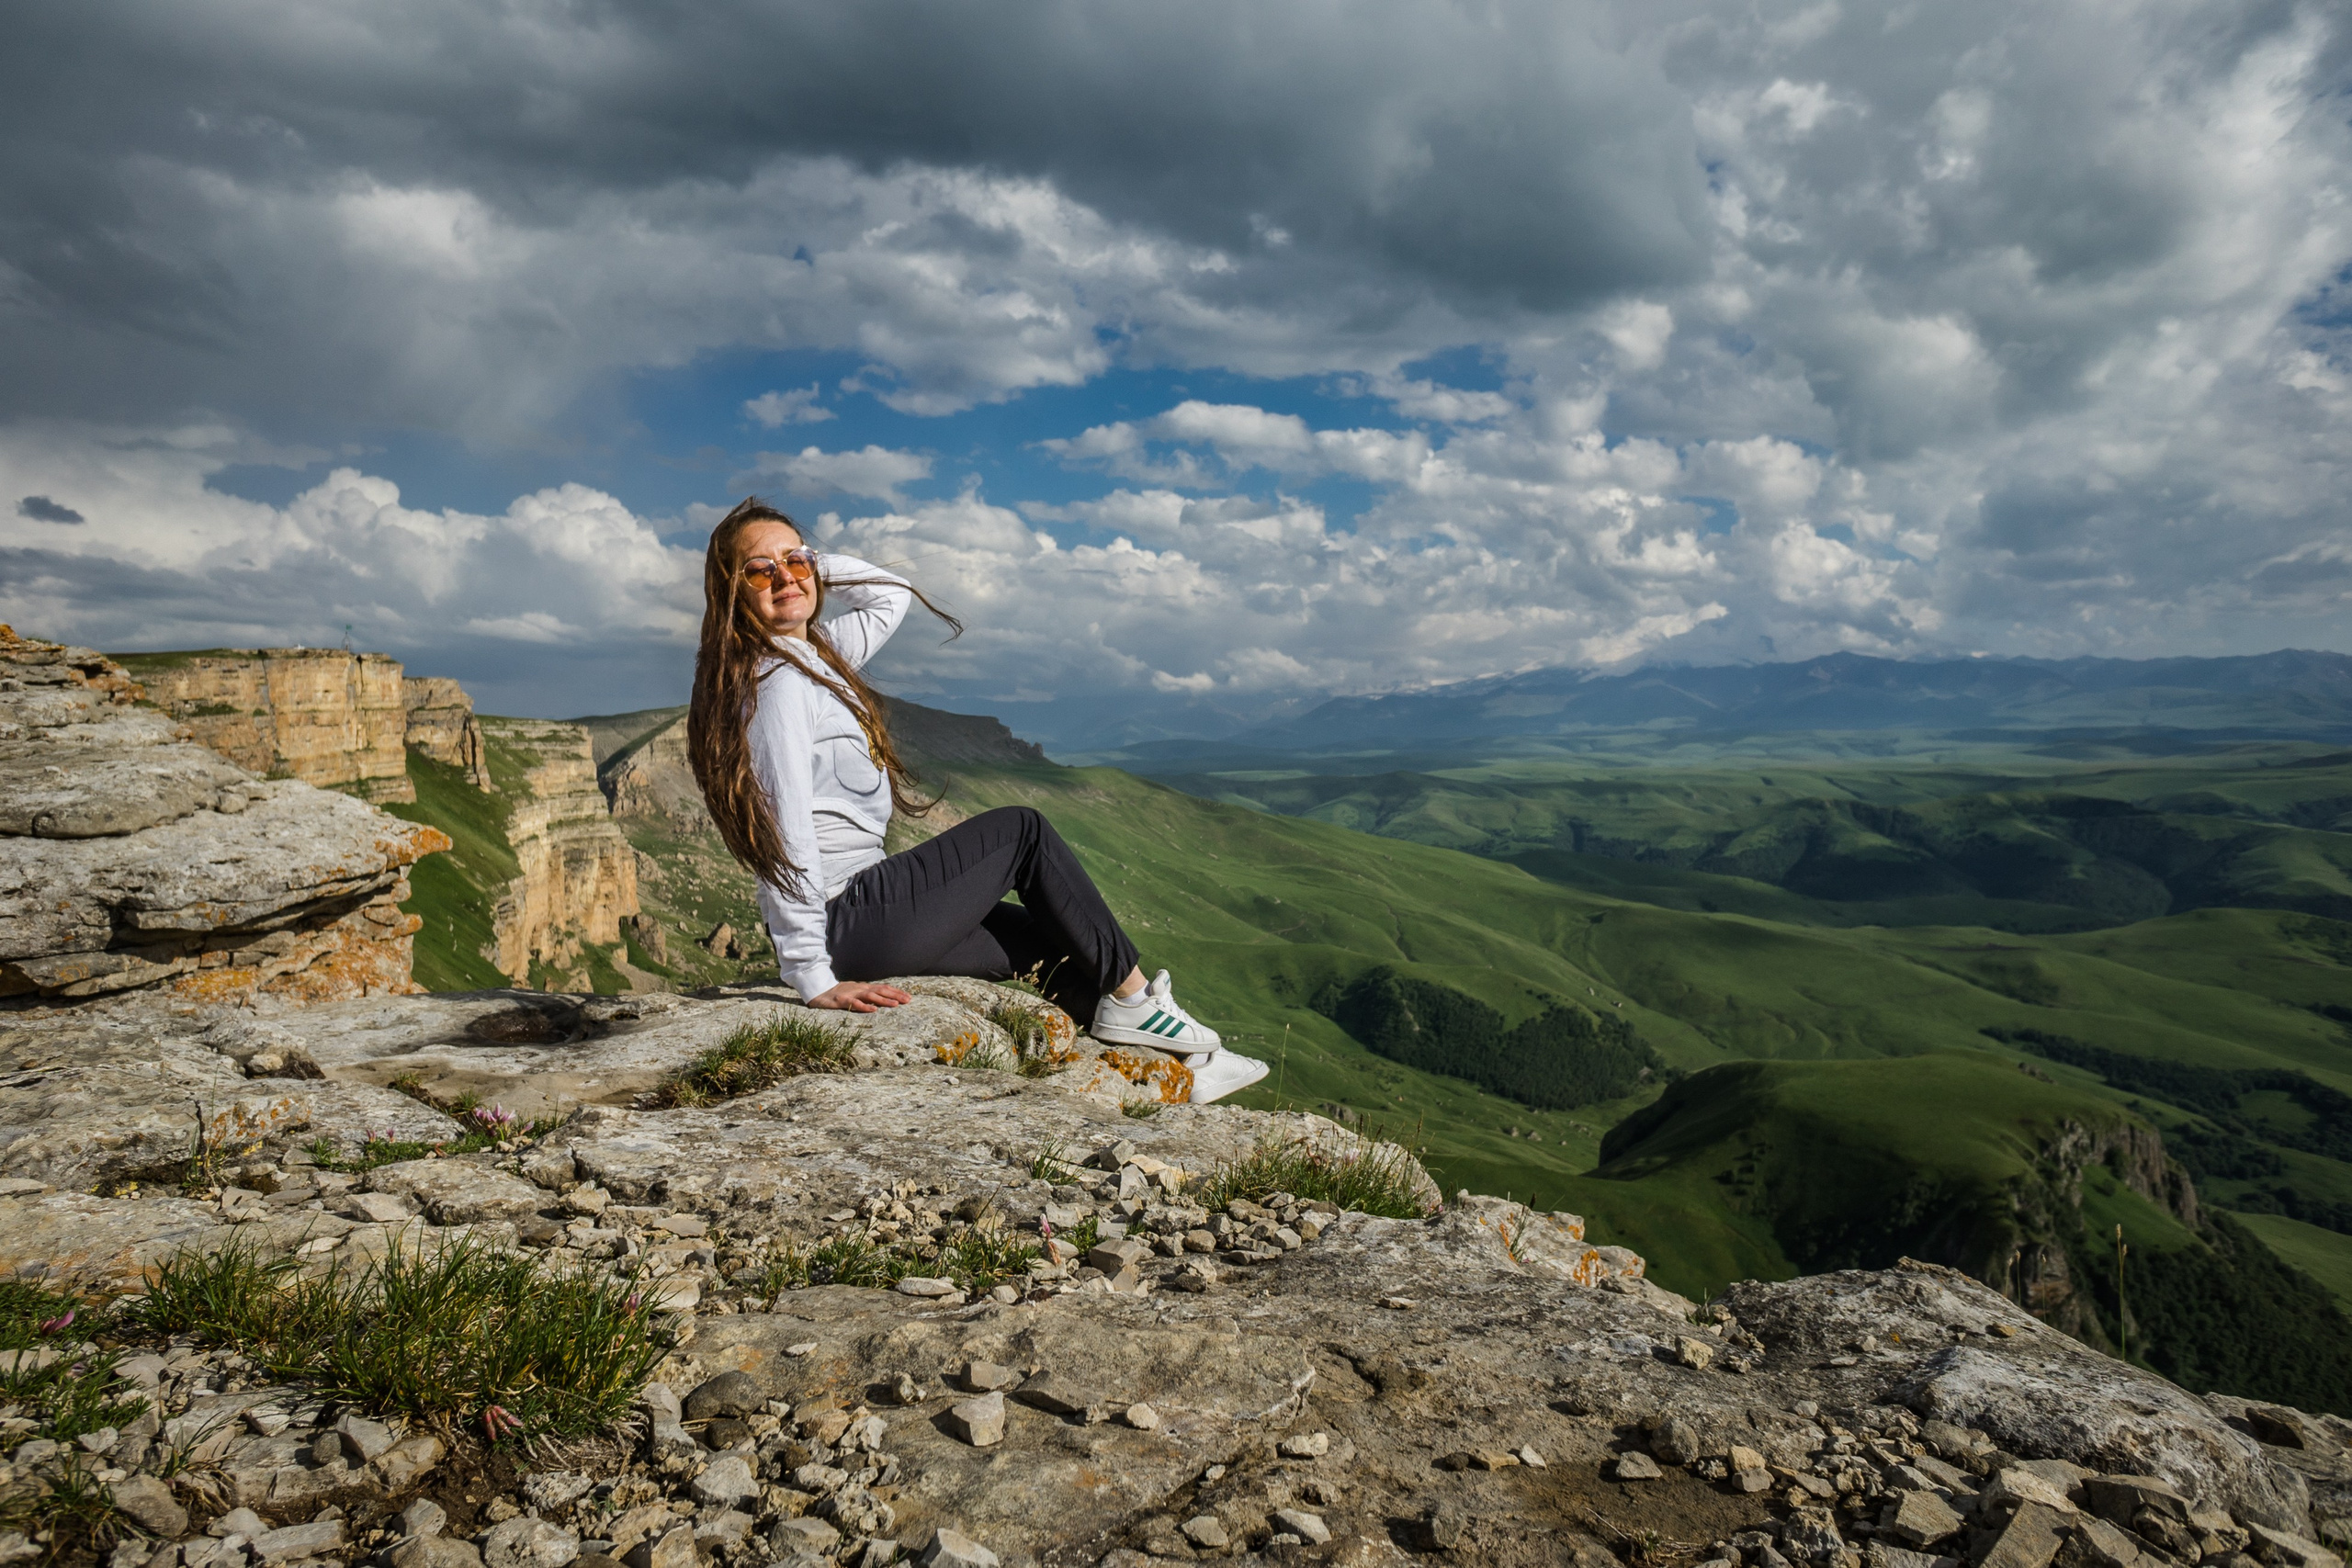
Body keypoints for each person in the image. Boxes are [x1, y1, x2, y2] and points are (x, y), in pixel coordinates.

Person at [685, 496, 1271, 1104]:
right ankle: (1135, 998)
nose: (786, 578)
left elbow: (891, 594)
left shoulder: (818, 656)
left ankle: (1180, 1073)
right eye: (760, 571)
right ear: (734, 591)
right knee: (1023, 832)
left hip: (870, 915)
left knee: (1049, 947)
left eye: (797, 562)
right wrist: (811, 975)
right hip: (848, 920)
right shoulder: (776, 685)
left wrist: (801, 562)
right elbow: (780, 831)